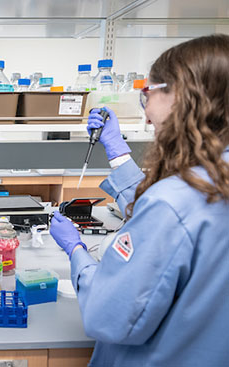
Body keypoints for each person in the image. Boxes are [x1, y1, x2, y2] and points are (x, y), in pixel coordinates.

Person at [50, 34, 229, 366]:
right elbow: (173, 216)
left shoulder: (173, 203)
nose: (145, 113)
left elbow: (109, 315)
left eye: (147, 93)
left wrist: (77, 253)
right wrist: (117, 154)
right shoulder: (211, 179)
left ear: (181, 95)